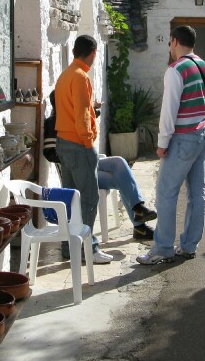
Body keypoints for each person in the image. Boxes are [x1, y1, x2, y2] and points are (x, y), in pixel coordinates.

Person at [137, 25, 205, 265]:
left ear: (174, 41)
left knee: (166, 193)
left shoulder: (176, 70)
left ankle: (162, 248)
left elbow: (168, 112)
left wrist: (162, 143)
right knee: (197, 193)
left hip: (183, 139)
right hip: (203, 134)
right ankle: (189, 245)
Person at [44, 92, 157, 240]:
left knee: (119, 162)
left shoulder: (73, 118)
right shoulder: (53, 123)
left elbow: (89, 116)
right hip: (76, 173)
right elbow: (50, 153)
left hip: (89, 163)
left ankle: (138, 208)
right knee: (120, 179)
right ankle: (140, 227)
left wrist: (93, 108)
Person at [54, 35, 113, 263]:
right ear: (93, 53)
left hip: (64, 142)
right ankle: (88, 248)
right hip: (78, 145)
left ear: (74, 52)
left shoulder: (66, 74)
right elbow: (81, 116)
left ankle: (69, 247)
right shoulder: (80, 76)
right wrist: (89, 143)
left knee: (71, 199)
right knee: (88, 198)